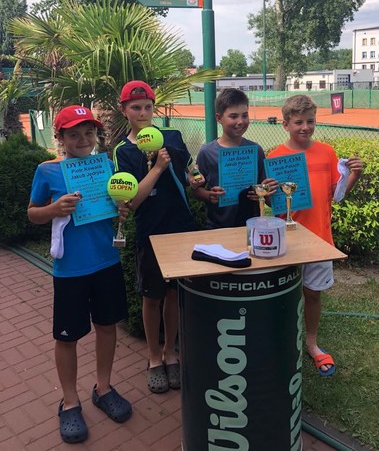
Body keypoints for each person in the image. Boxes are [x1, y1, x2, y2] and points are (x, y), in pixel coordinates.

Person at [27, 106, 132, 445]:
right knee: (67, 336)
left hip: (106, 262)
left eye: (88, 133)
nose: (83, 139)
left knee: (106, 326)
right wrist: (52, 210)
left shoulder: (106, 166)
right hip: (70, 268)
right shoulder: (47, 171)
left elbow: (116, 202)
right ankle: (70, 401)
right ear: (60, 138)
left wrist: (122, 206)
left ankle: (103, 387)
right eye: (74, 133)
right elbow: (33, 215)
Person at [113, 80, 203, 394]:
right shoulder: (123, 152)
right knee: (151, 297)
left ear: (154, 108)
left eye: (147, 106)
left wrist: (197, 179)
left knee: (173, 296)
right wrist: (159, 167)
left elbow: (192, 173)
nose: (142, 112)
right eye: (135, 107)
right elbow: (132, 201)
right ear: (124, 110)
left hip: (182, 228)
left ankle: (170, 352)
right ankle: (153, 357)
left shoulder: (173, 136)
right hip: (151, 234)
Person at [268, 95, 363, 376]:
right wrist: (267, 189)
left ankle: (311, 343)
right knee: (283, 294)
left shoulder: (327, 152)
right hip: (286, 241)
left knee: (313, 294)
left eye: (310, 121)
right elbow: (268, 202)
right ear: (286, 124)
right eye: (298, 122)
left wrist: (353, 176)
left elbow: (338, 195)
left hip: (320, 239)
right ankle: (281, 342)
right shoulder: (274, 157)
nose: (305, 127)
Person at [193, 87, 278, 228]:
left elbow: (264, 188)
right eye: (233, 116)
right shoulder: (207, 152)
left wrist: (262, 193)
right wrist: (209, 195)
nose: (240, 121)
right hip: (218, 227)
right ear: (219, 118)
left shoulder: (256, 150)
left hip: (251, 225)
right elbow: (196, 190)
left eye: (244, 115)